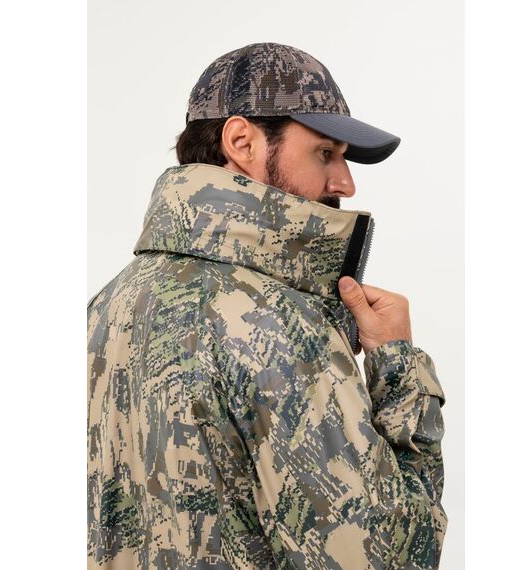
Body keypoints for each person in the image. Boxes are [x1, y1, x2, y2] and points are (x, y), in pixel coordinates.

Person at [87, 42, 448, 569]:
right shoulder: (277, 325)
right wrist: (399, 367)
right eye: (325, 153)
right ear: (242, 141)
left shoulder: (105, 309)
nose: (345, 183)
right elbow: (387, 560)